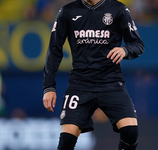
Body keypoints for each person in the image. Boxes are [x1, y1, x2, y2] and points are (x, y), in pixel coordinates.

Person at [42, 0, 144, 149]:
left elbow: (138, 44)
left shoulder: (118, 9)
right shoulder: (67, 12)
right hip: (80, 85)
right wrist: (48, 87)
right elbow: (54, 50)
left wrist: (125, 50)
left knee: (131, 132)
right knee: (66, 142)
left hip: (111, 83)